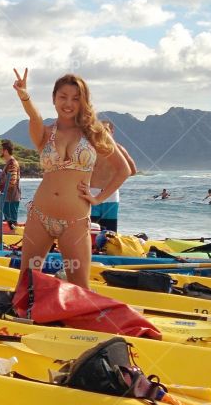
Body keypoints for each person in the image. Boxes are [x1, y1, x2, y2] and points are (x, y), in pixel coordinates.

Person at [12, 67, 128, 290]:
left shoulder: (94, 132)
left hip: (75, 222)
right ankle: (23, 321)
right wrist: (24, 95)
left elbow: (122, 169)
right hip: (40, 216)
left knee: (80, 288)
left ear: (83, 101)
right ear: (54, 99)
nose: (69, 103)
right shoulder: (44, 133)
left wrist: (98, 198)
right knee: (26, 283)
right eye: (63, 97)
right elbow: (33, 115)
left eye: (76, 98)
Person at [88, 121, 136, 232]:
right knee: (92, 229)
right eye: (101, 130)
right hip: (92, 192)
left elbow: (132, 171)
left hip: (111, 194)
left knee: (110, 231)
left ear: (112, 131)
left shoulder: (118, 149)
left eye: (106, 130)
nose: (103, 133)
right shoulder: (93, 148)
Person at [0, 140, 22, 230]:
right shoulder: (9, 163)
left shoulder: (12, 164)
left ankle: (14, 240)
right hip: (8, 198)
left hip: (11, 198)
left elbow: (12, 181)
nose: (0, 151)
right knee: (9, 222)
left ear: (6, 151)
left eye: (1, 149)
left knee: (12, 223)